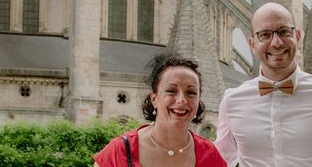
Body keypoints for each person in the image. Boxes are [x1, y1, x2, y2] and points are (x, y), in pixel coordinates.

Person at [215, 2, 312, 167]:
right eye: (264, 34)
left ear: (297, 36)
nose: (276, 42)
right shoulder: (232, 101)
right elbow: (216, 160)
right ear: (252, 44)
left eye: (284, 32)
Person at [94, 54, 226, 167]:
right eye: (171, 91)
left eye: (191, 92)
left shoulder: (211, 156)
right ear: (154, 98)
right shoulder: (118, 152)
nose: (181, 100)